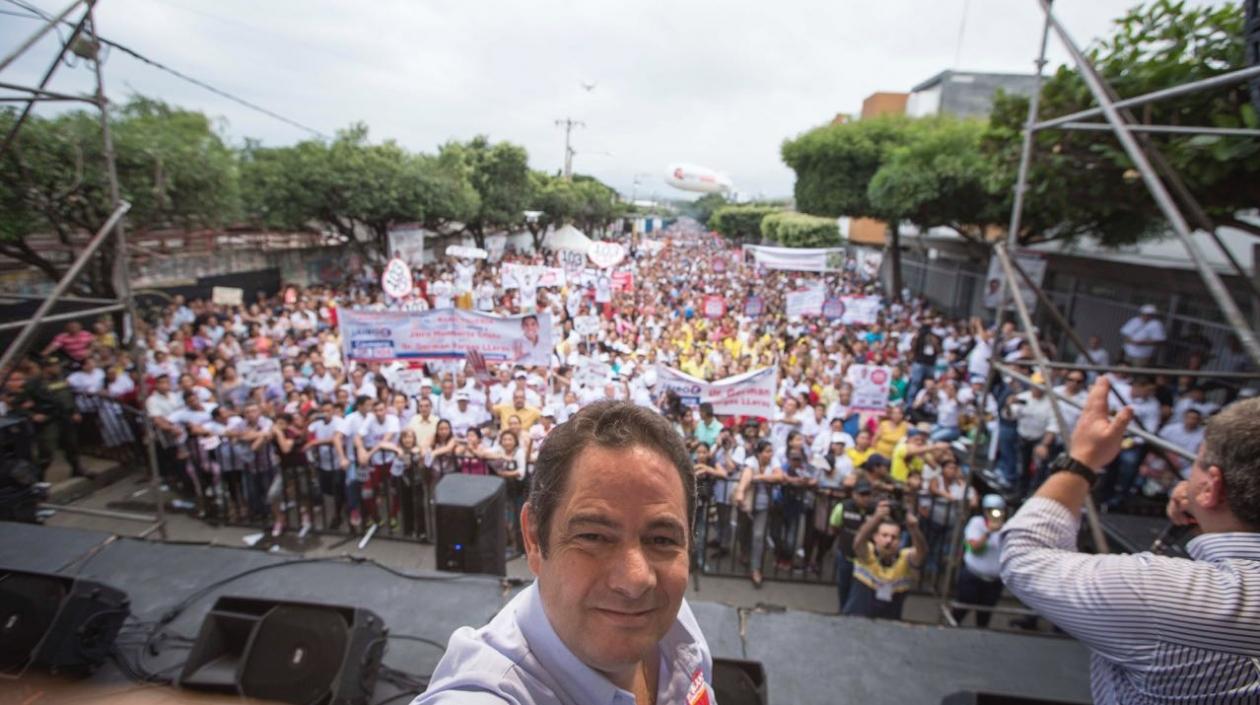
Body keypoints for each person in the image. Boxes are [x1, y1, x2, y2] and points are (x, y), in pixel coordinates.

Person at [419, 401, 714, 704]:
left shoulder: (677, 621)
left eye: (662, 540)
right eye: (594, 536)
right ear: (534, 538)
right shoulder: (484, 694)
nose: (636, 579)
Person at [1000, 379, 1260, 703]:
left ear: (1211, 487)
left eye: (1197, 462)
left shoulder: (1161, 594)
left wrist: (1082, 460)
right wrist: (1208, 517)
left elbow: (1023, 555)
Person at [843, 499, 926, 620]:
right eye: (884, 535)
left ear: (899, 541)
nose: (889, 541)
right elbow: (858, 542)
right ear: (875, 537)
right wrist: (876, 518)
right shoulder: (867, 554)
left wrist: (914, 528)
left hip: (889, 624)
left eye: (894, 537)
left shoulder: (905, 558)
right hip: (857, 619)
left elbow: (921, 551)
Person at [951, 494, 1006, 628]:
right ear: (985, 511)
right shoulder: (976, 523)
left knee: (984, 617)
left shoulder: (1007, 528)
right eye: (991, 510)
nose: (995, 514)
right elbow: (974, 547)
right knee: (959, 611)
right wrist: (988, 532)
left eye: (999, 510)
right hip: (972, 577)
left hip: (994, 582)